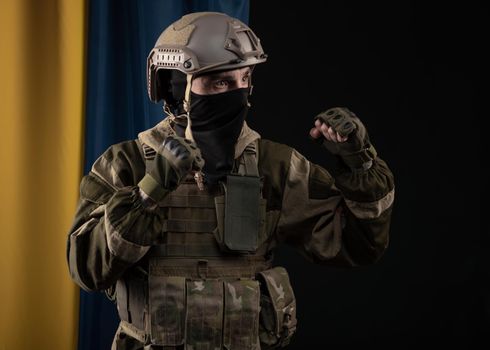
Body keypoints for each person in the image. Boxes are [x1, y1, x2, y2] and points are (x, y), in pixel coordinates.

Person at [67, 12, 395, 350]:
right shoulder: (126, 163)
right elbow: (86, 270)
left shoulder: (275, 165)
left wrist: (360, 161)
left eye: (244, 79)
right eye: (219, 83)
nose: (236, 94)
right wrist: (149, 191)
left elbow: (359, 245)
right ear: (178, 88)